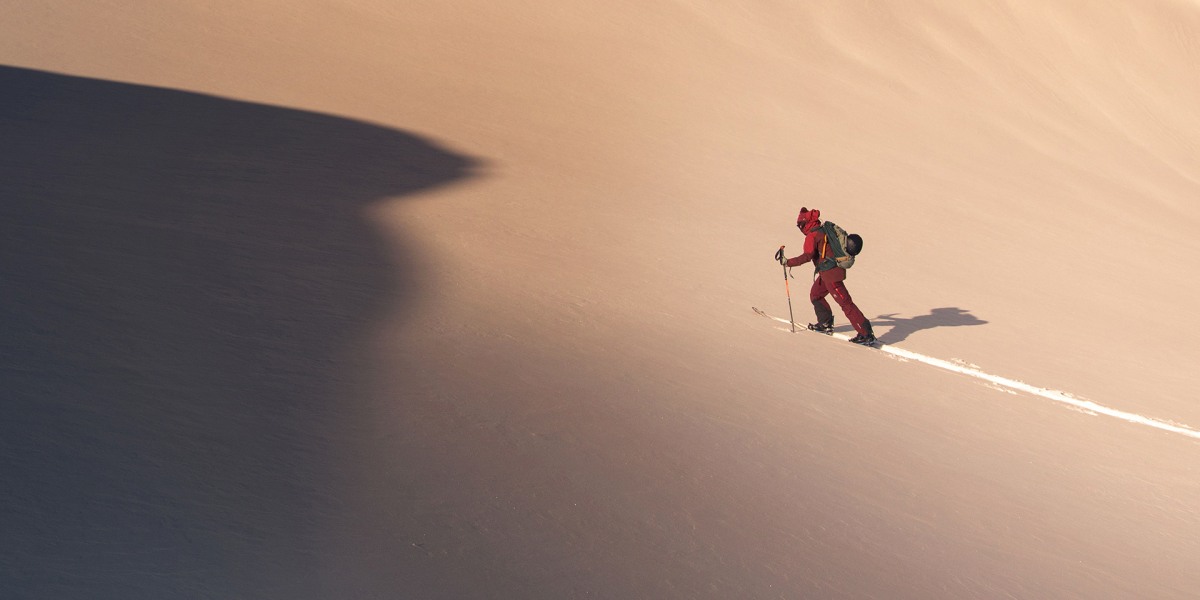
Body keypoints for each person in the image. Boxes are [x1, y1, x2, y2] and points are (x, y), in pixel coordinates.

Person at [778, 207, 876, 345]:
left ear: (805, 223)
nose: (799, 227)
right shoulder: (822, 229)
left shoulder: (813, 235)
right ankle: (825, 324)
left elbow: (807, 256)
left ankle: (866, 334)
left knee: (845, 303)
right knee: (815, 295)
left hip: (832, 276)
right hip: (827, 273)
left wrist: (788, 262)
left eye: (800, 225)